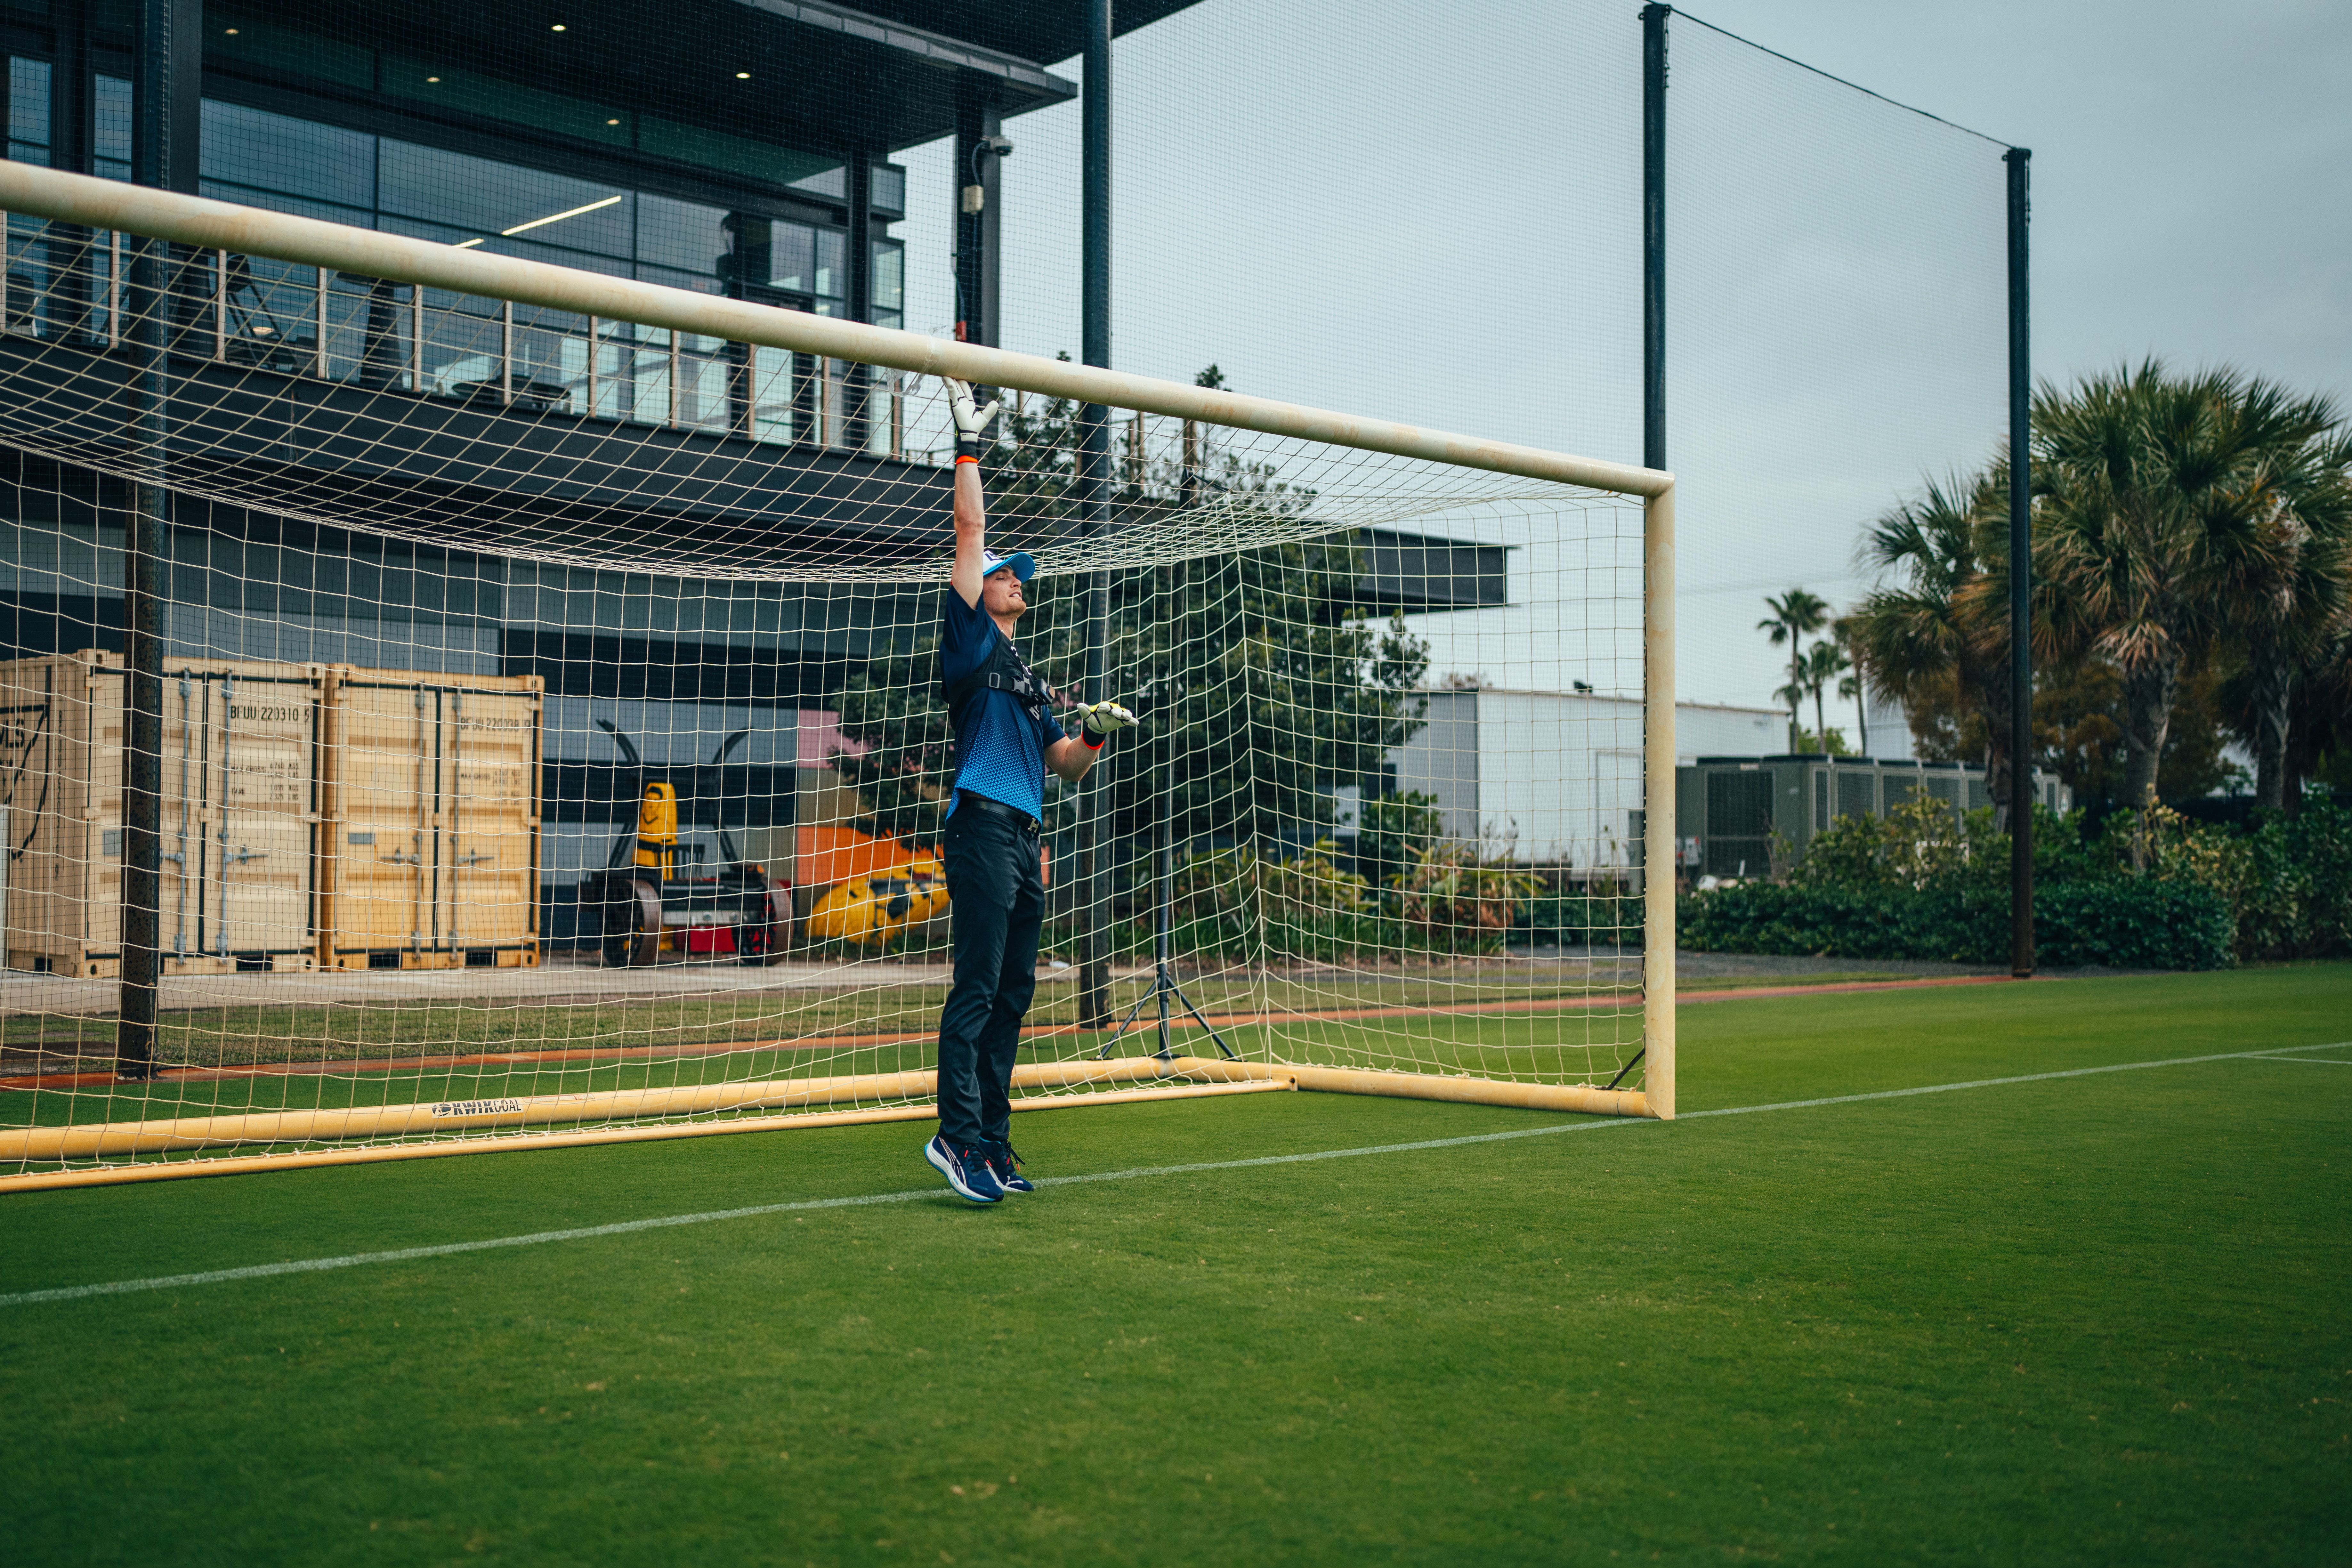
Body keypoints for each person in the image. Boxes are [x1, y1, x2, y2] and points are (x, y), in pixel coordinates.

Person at [923, 377, 1136, 1204]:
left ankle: (995, 1143)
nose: (1018, 582)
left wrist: (1094, 733)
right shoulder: (972, 639)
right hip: (979, 827)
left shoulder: (1032, 677)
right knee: (976, 986)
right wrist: (967, 443)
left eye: (1018, 578)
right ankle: (956, 1136)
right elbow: (969, 526)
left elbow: (1064, 764)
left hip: (1024, 838)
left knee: (1013, 992)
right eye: (1009, 574)